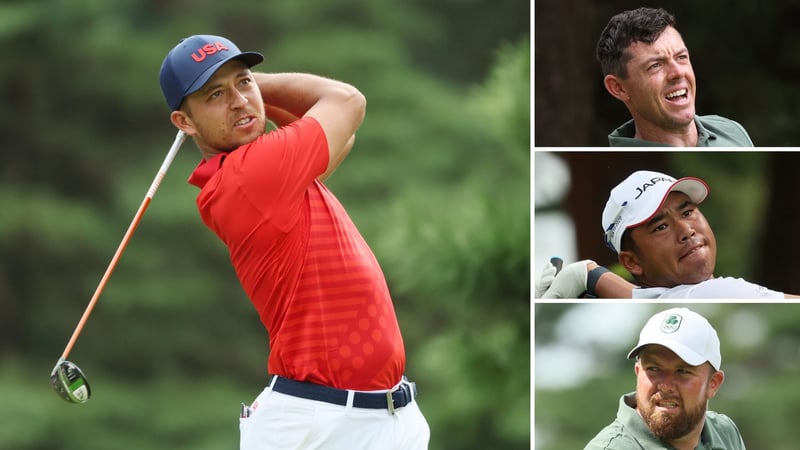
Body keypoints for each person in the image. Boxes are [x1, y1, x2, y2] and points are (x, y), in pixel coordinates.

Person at [159, 35, 429, 449]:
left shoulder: (260, 174)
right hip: (320, 427)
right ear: (185, 122)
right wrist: (259, 85)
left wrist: (242, 94)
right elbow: (347, 102)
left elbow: (343, 136)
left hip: (381, 420)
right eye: (215, 94)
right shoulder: (252, 175)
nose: (238, 101)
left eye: (243, 83)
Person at [535, 170, 800, 298]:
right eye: (661, 227)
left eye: (687, 212)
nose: (686, 231)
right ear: (632, 262)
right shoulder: (721, 292)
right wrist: (590, 276)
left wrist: (590, 275)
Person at [584, 307, 746, 450]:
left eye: (682, 371)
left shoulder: (725, 432)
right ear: (638, 372)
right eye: (653, 369)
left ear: (713, 384)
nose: (665, 386)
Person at [596, 7, 753, 147]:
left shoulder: (733, 132)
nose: (678, 72)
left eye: (681, 57)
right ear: (618, 88)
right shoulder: (620, 163)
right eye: (655, 65)